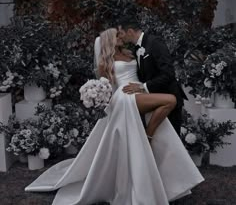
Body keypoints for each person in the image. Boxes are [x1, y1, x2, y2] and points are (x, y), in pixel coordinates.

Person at [25, 28, 204, 205]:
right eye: (116, 35)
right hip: (125, 97)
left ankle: (153, 152)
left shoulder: (130, 52)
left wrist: (144, 85)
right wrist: (99, 96)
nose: (120, 36)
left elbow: (142, 73)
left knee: (166, 111)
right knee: (170, 101)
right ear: (109, 40)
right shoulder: (105, 62)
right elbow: (107, 86)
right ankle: (147, 139)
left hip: (138, 91)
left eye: (120, 33)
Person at [117, 15, 187, 136]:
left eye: (121, 33)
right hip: (155, 102)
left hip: (169, 97)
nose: (120, 36)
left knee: (171, 143)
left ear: (129, 32)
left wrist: (142, 87)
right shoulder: (135, 49)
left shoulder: (154, 43)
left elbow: (168, 74)